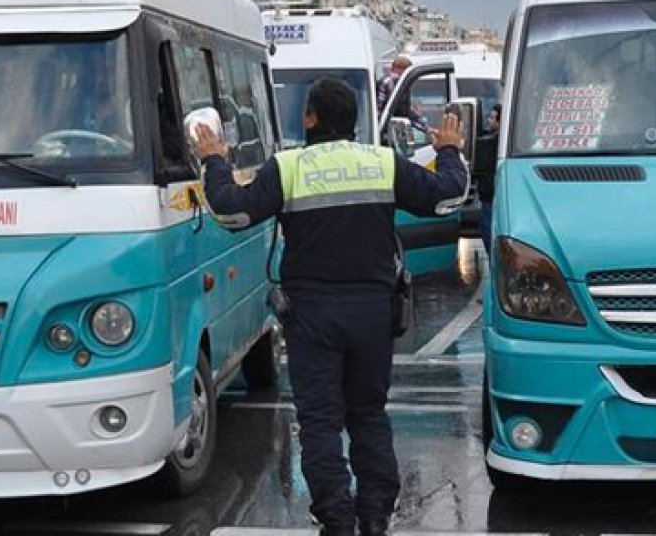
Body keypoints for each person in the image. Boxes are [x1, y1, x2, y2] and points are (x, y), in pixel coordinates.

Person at [193, 78, 467, 536]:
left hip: (313, 316)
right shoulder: (382, 162)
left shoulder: (288, 167)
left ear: (310, 118)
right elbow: (447, 196)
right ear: (354, 120)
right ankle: (375, 514)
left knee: (320, 419)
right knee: (368, 412)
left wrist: (214, 161)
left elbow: (231, 212)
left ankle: (336, 517)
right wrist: (451, 148)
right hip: (373, 313)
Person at [471, 104, 501, 254]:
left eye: (492, 117)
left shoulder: (489, 143)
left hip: (489, 199)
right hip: (495, 197)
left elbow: (477, 168)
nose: (489, 121)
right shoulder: (504, 143)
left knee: (489, 238)